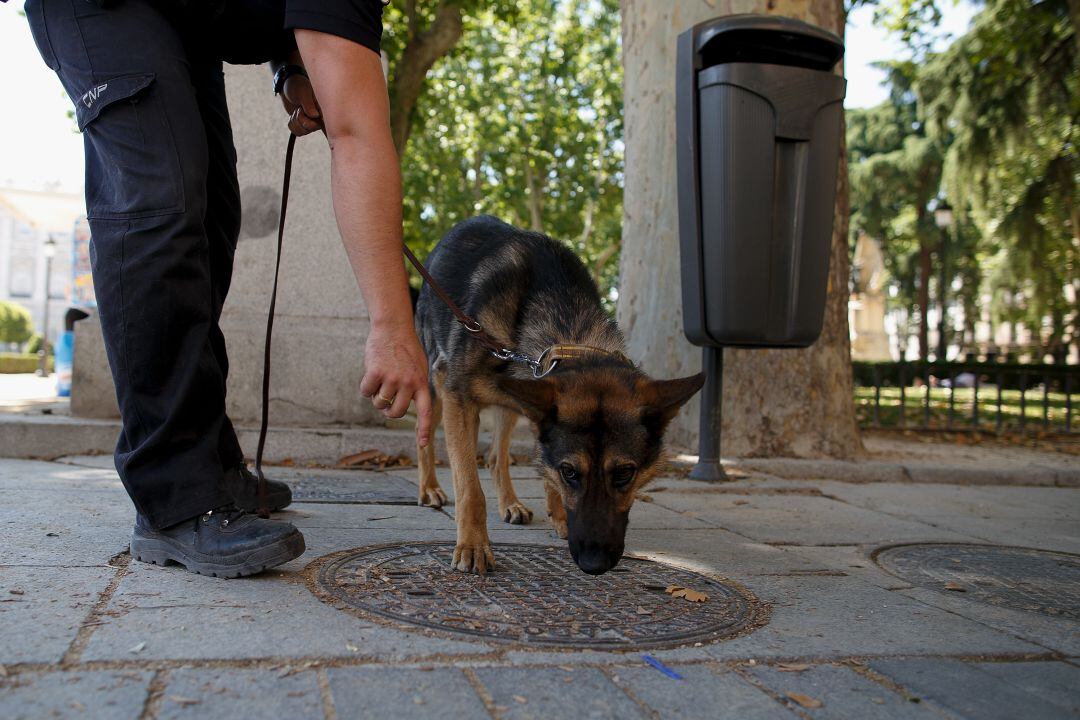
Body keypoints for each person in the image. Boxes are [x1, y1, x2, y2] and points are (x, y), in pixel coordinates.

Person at [21, 0, 432, 577]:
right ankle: (176, 498)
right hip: (102, 8)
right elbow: (355, 133)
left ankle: (208, 458)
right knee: (161, 207)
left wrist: (289, 67)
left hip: (185, 22)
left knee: (212, 215)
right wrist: (392, 326)